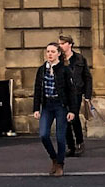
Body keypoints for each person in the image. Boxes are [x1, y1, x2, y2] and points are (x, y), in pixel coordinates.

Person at [31, 42, 74, 176]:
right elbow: (37, 89)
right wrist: (36, 108)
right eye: (48, 51)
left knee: (60, 137)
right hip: (47, 105)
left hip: (60, 105)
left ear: (59, 54)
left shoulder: (65, 70)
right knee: (43, 135)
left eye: (53, 52)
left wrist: (72, 110)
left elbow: (71, 91)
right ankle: (54, 158)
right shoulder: (42, 69)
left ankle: (60, 164)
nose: (50, 54)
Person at [60, 38, 90, 156]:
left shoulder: (79, 59)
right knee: (64, 119)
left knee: (74, 117)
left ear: (70, 45)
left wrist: (87, 95)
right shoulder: (59, 59)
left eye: (63, 43)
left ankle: (79, 142)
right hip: (63, 93)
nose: (61, 46)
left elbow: (87, 77)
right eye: (59, 43)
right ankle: (70, 145)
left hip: (76, 92)